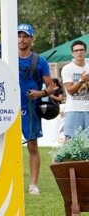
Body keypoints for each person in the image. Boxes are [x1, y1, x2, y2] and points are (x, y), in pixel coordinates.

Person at [17, 23, 56, 195]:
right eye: (19, 36)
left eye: (25, 36)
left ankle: (33, 184)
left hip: (30, 108)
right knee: (6, 147)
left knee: (32, 145)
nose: (21, 39)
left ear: (31, 39)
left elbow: (51, 87)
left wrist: (40, 93)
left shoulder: (39, 61)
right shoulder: (7, 57)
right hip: (8, 108)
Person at [61, 39, 89, 137]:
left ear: (85, 51)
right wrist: (82, 80)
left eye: (81, 50)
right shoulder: (67, 68)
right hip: (73, 109)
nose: (79, 52)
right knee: (71, 142)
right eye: (76, 51)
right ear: (72, 53)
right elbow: (70, 91)